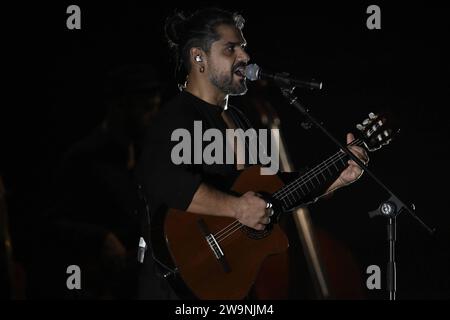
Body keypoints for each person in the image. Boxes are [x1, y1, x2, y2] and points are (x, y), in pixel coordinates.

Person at [135, 7, 368, 299]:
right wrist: (236, 208)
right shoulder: (176, 116)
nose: (244, 57)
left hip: (230, 285)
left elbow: (271, 192)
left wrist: (337, 177)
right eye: (230, 49)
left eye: (243, 48)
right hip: (177, 289)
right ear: (199, 58)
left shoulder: (240, 120)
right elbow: (163, 181)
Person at [28, 64, 163, 299]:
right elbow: (49, 225)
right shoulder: (83, 159)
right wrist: (100, 238)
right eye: (146, 109)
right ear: (119, 107)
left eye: (156, 108)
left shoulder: (149, 157)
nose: (154, 117)